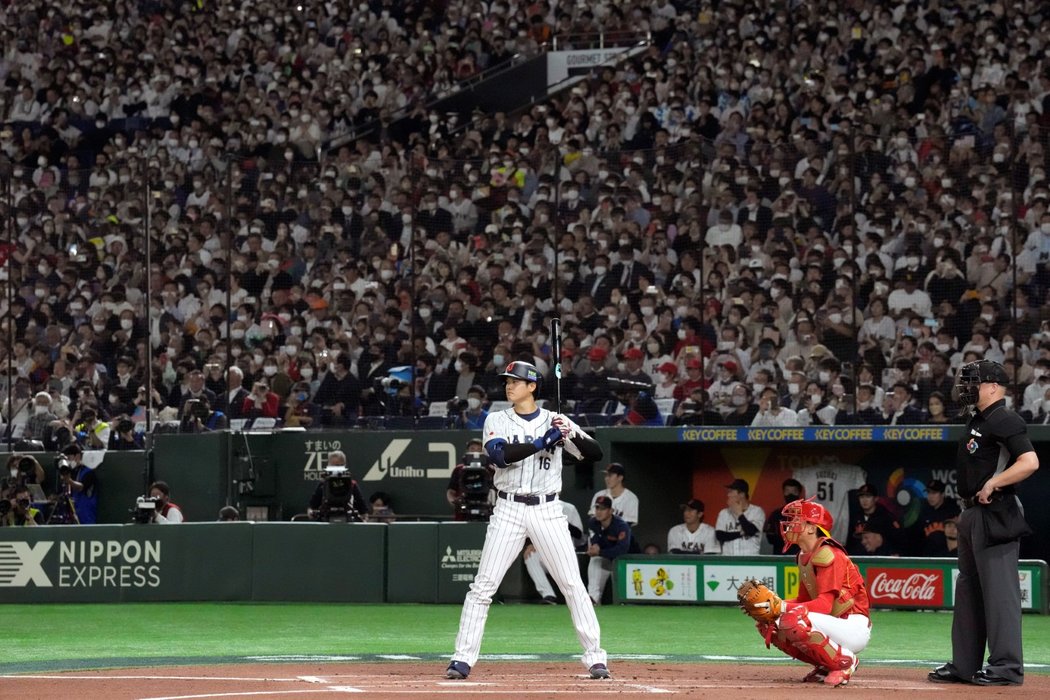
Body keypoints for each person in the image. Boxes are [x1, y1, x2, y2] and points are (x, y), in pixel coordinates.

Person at [446, 361, 610, 681]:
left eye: (516, 381)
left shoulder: (555, 419)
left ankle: (595, 658)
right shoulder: (497, 418)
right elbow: (499, 456)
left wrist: (568, 432)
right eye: (507, 381)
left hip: (548, 510)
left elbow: (595, 453)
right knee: (483, 587)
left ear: (532, 387)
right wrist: (543, 441)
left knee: (572, 584)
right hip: (508, 509)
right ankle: (462, 659)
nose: (509, 386)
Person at [929, 360, 1038, 687]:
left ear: (992, 386)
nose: (966, 387)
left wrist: (995, 483)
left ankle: (1006, 668)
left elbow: (1029, 461)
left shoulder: (1003, 418)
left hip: (997, 512)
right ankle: (964, 666)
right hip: (972, 513)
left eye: (973, 381)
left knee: (1000, 594)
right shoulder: (979, 419)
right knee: (968, 591)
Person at [753, 498, 871, 687]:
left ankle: (845, 660)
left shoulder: (828, 553)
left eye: (796, 520)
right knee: (769, 622)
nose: (790, 525)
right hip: (833, 623)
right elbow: (803, 600)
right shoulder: (804, 555)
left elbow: (824, 605)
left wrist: (781, 606)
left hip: (851, 625)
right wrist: (772, 605)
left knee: (793, 619)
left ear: (811, 527)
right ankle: (826, 664)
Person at [524, 499, 586, 604]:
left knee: (572, 586)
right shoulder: (536, 508)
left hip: (566, 552)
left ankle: (579, 599)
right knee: (530, 556)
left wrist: (560, 520)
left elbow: (579, 535)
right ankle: (549, 595)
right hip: (545, 552)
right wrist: (532, 543)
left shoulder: (569, 507)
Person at [586, 495, 632, 605]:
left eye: (602, 509)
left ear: (611, 510)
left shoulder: (621, 526)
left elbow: (621, 550)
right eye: (597, 508)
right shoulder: (593, 522)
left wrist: (599, 551)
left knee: (624, 600)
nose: (599, 511)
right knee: (595, 560)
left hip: (624, 563)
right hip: (605, 560)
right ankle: (592, 599)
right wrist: (595, 546)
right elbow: (595, 538)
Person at [308, 450, 368, 522]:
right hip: (326, 519)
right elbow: (312, 506)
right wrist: (311, 512)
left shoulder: (352, 484)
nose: (337, 468)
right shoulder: (323, 484)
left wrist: (364, 516)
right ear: (329, 465)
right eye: (334, 466)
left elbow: (362, 509)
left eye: (340, 465)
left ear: (344, 465)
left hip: (348, 520)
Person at [445, 438, 495, 521]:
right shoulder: (459, 470)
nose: (475, 452)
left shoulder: (490, 470)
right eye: (472, 449)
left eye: (479, 449)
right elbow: (451, 491)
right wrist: (455, 503)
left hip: (486, 510)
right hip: (463, 513)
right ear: (467, 451)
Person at [846, 483, 902, 555]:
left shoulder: (885, 516)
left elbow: (896, 540)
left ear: (876, 499)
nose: (864, 500)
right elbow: (851, 541)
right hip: (860, 557)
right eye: (861, 497)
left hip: (880, 558)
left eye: (868, 496)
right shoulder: (855, 516)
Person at [911, 479, 961, 556]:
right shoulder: (923, 511)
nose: (930, 496)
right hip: (927, 556)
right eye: (928, 493)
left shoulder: (952, 511)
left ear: (942, 494)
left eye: (934, 493)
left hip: (947, 556)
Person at [715, 479, 766, 555]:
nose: (728, 495)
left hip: (750, 559)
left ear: (742, 494)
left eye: (731, 492)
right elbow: (720, 535)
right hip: (728, 559)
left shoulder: (757, 511)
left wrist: (739, 514)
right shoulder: (724, 513)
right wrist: (741, 533)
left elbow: (751, 531)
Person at [59, 443, 97, 524]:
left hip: (85, 513)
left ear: (77, 456)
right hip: (71, 513)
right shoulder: (69, 472)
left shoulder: (88, 472)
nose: (68, 461)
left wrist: (68, 480)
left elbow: (81, 487)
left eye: (69, 458)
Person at [764, 478, 804, 554]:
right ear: (783, 493)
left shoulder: (807, 514)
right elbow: (770, 538)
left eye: (794, 492)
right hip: (780, 558)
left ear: (799, 493)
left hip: (802, 558)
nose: (790, 495)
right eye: (787, 491)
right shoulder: (776, 515)